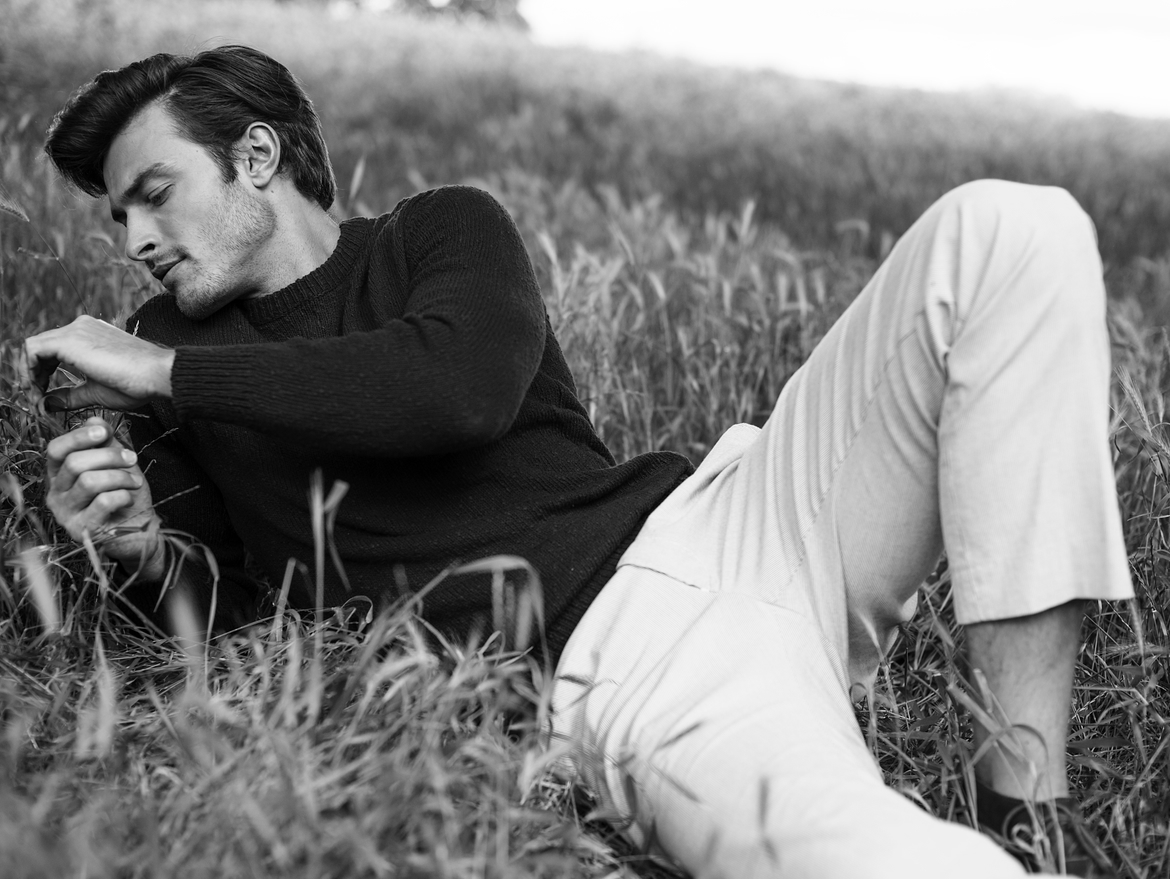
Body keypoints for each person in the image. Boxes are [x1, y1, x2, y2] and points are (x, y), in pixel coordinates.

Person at [23, 45, 1133, 879]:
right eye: (117, 218)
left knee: (1010, 230)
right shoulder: (166, 354)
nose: (134, 240)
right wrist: (137, 545)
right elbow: (226, 618)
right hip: (628, 677)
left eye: (154, 194)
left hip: (742, 514)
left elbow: (453, 391)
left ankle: (1023, 804)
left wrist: (165, 373)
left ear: (256, 156)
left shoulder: (436, 232)